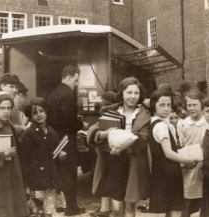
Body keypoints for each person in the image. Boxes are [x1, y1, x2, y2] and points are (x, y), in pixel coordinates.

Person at [87, 77, 151, 217]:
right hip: (114, 162)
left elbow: (144, 137)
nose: (132, 97)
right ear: (122, 93)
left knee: (129, 207)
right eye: (129, 92)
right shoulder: (111, 111)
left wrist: (125, 139)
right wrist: (105, 134)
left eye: (136, 93)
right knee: (116, 208)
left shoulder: (144, 115)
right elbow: (94, 130)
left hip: (132, 163)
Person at [148, 90, 198, 216]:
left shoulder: (158, 123)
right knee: (175, 209)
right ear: (154, 105)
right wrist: (187, 160)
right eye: (162, 105)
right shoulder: (161, 126)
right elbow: (168, 153)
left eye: (169, 105)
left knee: (170, 209)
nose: (166, 109)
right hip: (169, 172)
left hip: (163, 171)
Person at [47, 65, 85, 216]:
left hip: (55, 138)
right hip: (66, 138)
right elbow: (69, 119)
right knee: (69, 172)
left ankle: (60, 205)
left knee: (59, 172)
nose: (76, 84)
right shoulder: (68, 94)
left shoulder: (53, 93)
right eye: (75, 81)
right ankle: (71, 208)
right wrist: (81, 124)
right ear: (68, 78)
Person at [20, 97, 67, 217]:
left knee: (49, 211)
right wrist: (26, 184)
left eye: (41, 111)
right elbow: (24, 160)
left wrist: (61, 154)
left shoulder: (51, 131)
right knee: (38, 210)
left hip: (51, 178)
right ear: (30, 116)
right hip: (37, 180)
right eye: (34, 113)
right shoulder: (29, 133)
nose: (39, 115)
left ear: (46, 111)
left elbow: (56, 149)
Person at [177, 90, 206, 217]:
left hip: (205, 165)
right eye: (189, 105)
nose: (192, 108)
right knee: (187, 199)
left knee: (204, 200)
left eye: (195, 105)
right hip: (188, 166)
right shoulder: (182, 123)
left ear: (201, 105)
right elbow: (181, 144)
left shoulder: (208, 122)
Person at [0, 73, 28, 138]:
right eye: (11, 87)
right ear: (2, 87)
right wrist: (21, 127)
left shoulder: (11, 103)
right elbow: (2, 128)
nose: (14, 90)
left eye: (16, 87)